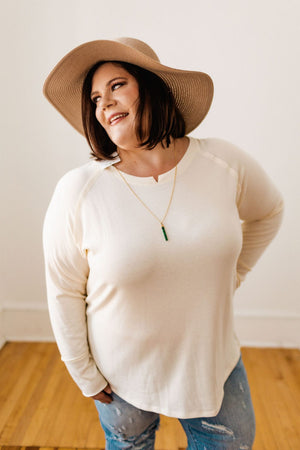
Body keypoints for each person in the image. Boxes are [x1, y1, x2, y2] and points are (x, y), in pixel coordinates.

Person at [43, 37, 284, 449]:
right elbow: (64, 288)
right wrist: (83, 372)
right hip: (119, 373)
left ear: (152, 86)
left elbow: (269, 211)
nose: (104, 103)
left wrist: (235, 274)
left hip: (211, 361)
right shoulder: (79, 191)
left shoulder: (222, 163)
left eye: (117, 85)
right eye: (96, 98)